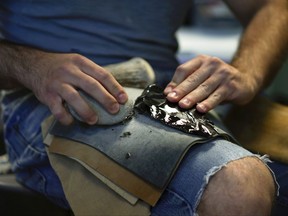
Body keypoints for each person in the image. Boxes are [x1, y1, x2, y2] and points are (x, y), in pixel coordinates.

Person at [0, 0, 287, 215]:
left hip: (164, 90)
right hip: (51, 100)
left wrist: (248, 72)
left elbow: (271, 6)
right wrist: (31, 66)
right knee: (238, 188)